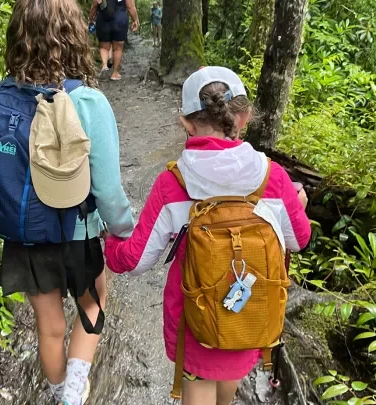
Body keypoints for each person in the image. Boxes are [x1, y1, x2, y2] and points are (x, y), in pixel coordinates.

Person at [104, 67, 311, 405]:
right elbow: (299, 241)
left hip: (195, 319)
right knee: (228, 384)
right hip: (250, 315)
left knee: (197, 384)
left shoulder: (174, 184)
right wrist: (297, 207)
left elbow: (136, 261)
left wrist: (110, 242)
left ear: (185, 123)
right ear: (243, 117)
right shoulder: (272, 178)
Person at [2, 1, 135, 404]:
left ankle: (57, 390)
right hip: (79, 235)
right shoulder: (89, 102)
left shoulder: (0, 98)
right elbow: (109, 192)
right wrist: (125, 231)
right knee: (93, 306)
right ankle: (73, 394)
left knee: (50, 327)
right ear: (74, 38)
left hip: (26, 236)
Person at [90, 0, 139, 81]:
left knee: (104, 47)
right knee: (118, 48)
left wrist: (90, 19)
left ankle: (105, 66)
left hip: (103, 20)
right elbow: (130, 6)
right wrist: (135, 20)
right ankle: (114, 73)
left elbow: (94, 6)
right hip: (120, 20)